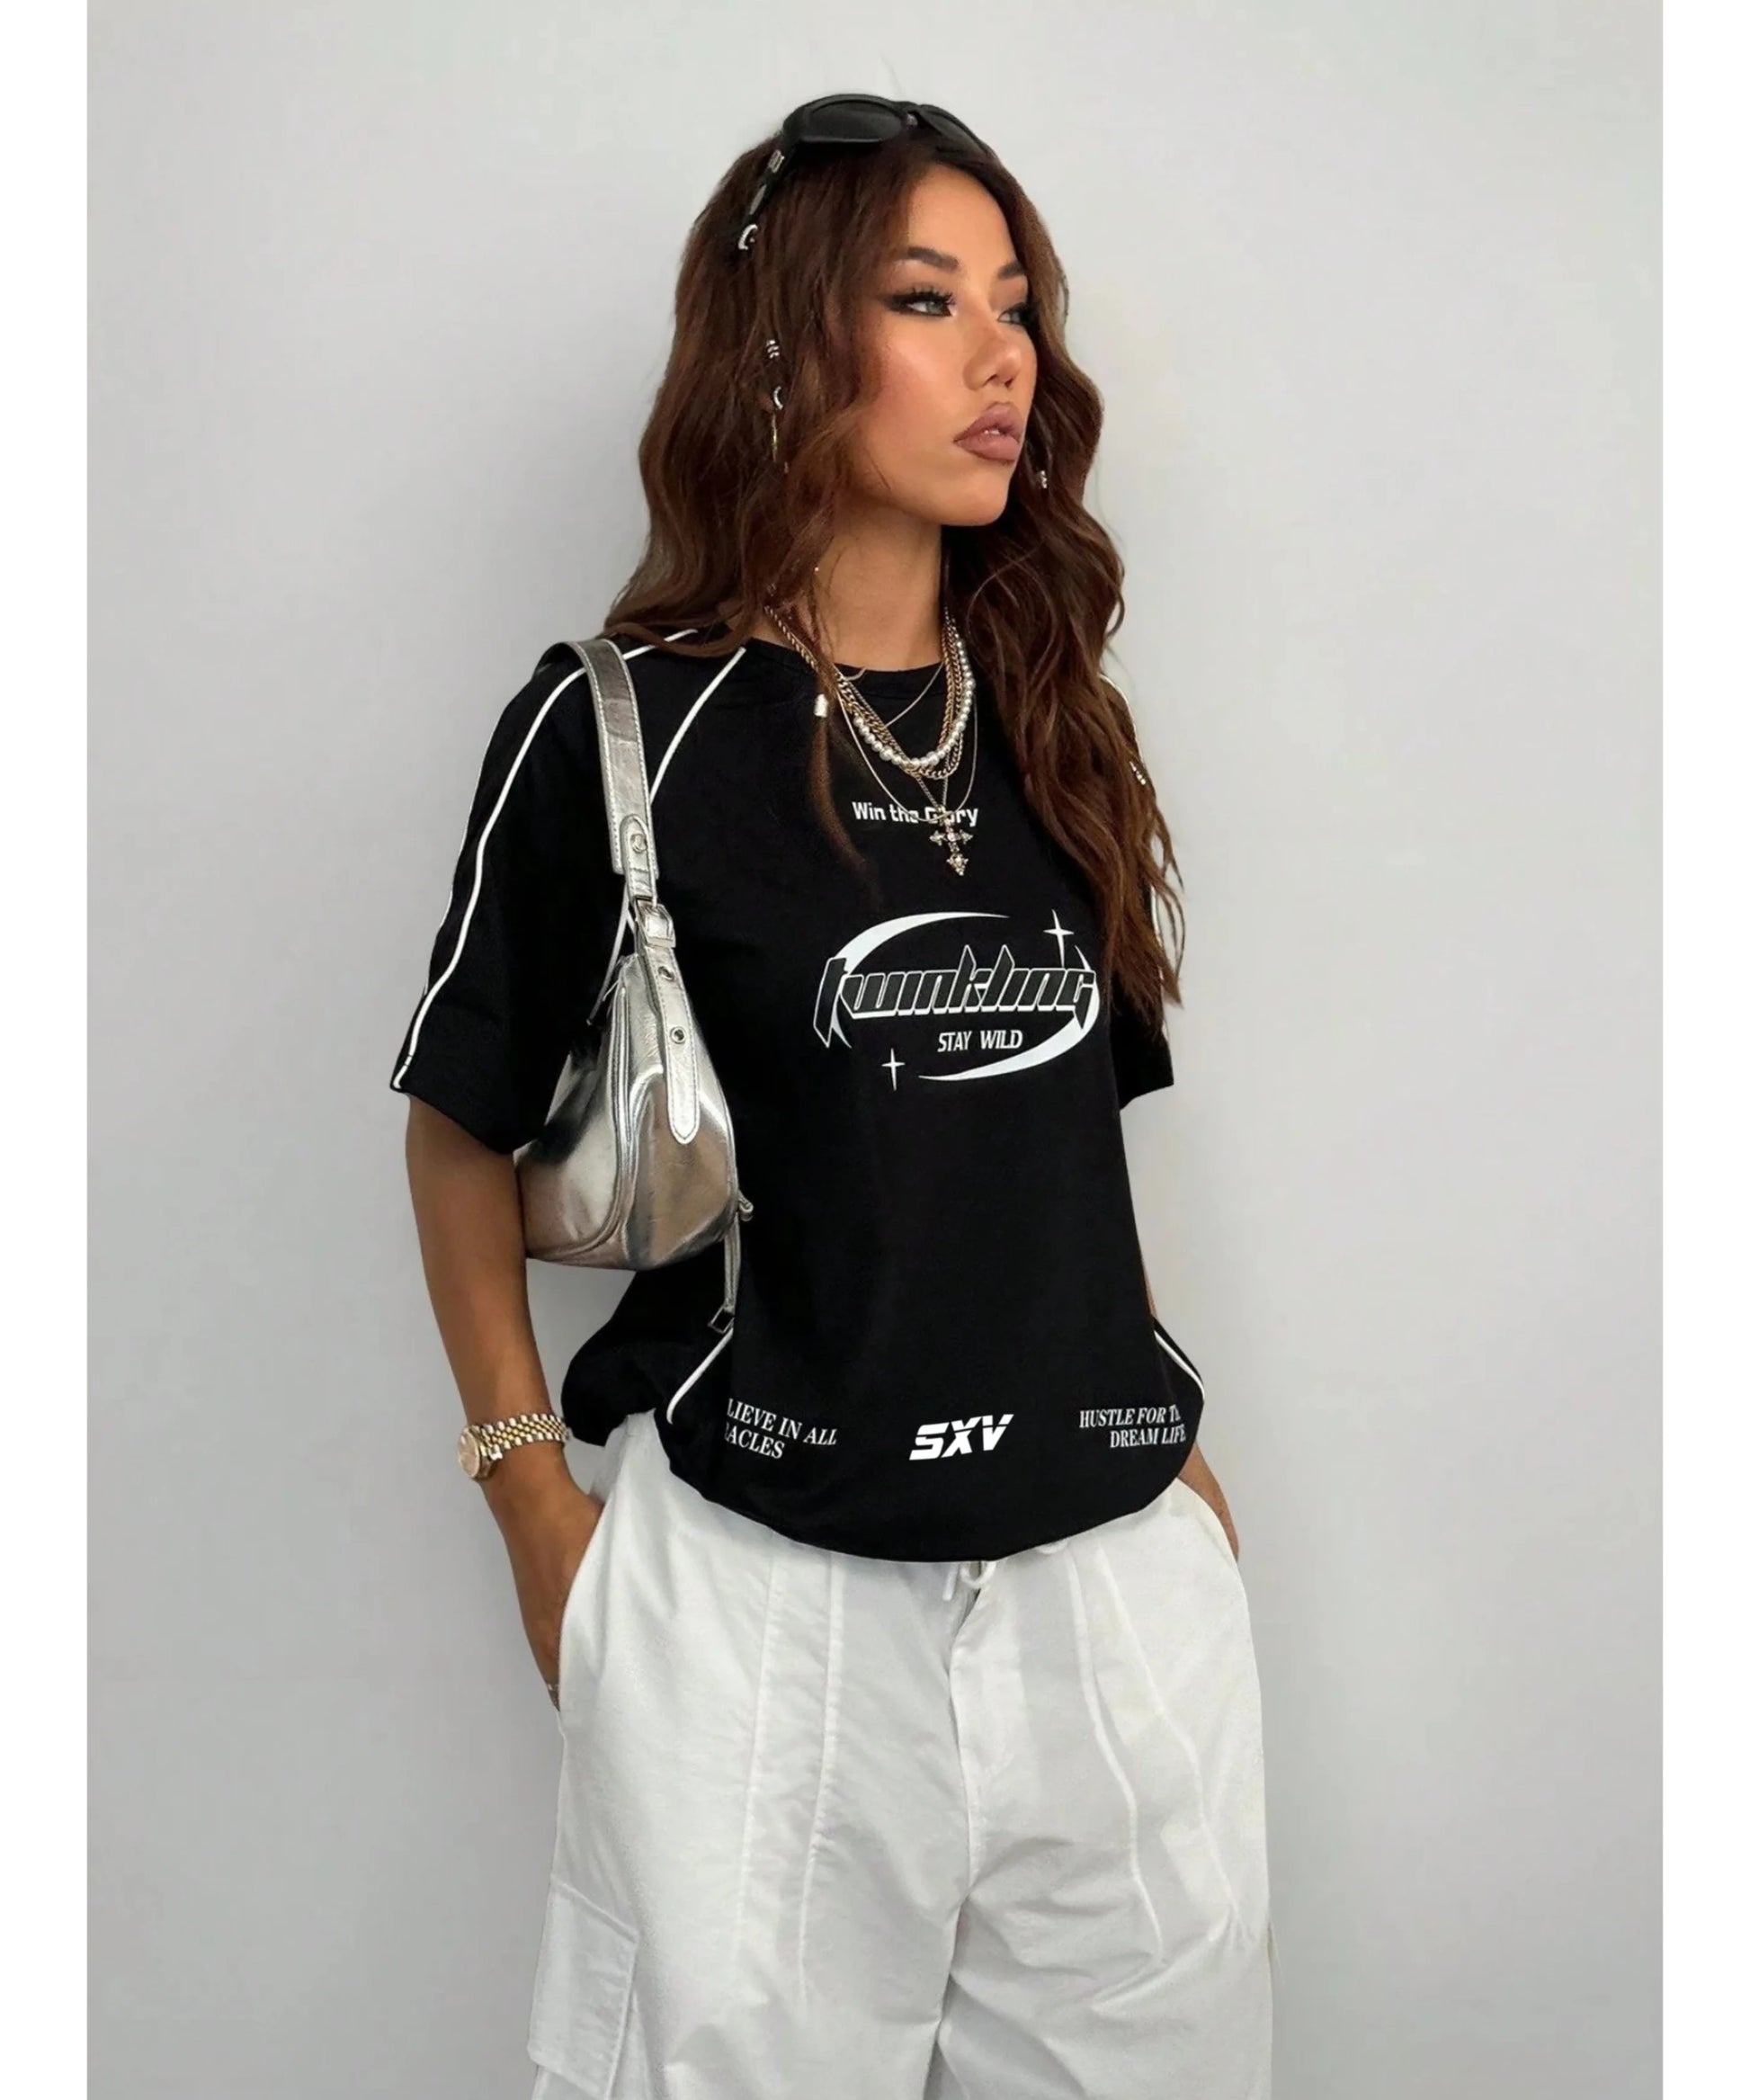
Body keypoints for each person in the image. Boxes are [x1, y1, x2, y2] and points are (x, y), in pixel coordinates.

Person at [390, 94, 1274, 2100]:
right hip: (765, 1607)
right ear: (788, 341)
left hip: (1110, 1594)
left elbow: (1053, 1146)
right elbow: (456, 1126)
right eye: (926, 300)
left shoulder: (1052, 720)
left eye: (1016, 306)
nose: (1000, 357)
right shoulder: (619, 731)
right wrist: (531, 1500)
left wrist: (1171, 1476)